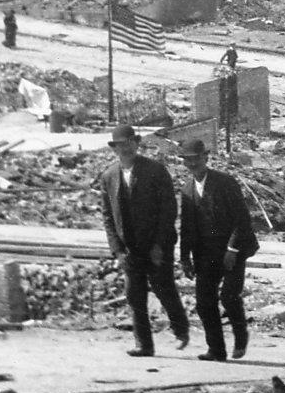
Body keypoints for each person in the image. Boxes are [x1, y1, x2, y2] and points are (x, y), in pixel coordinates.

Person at [99, 124, 189, 357]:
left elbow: (168, 209)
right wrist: (117, 250)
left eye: (129, 143)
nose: (125, 149)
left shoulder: (155, 171)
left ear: (137, 144)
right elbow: (108, 216)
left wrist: (159, 245)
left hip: (157, 244)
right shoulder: (109, 176)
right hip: (130, 248)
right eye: (120, 145)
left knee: (164, 288)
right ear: (115, 149)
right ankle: (144, 345)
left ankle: (181, 330)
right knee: (134, 295)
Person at [177, 139, 259, 362]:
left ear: (206, 157)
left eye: (196, 158)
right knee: (204, 303)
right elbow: (186, 227)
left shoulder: (225, 183)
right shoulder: (187, 190)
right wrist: (185, 258)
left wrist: (232, 249)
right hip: (206, 253)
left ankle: (240, 335)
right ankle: (216, 349)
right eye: (188, 160)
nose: (192, 164)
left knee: (229, 296)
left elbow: (242, 219)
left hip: (234, 247)